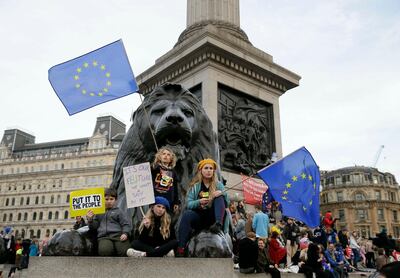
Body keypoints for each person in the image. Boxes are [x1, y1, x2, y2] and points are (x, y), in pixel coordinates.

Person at [177, 159, 229, 256]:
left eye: (211, 168)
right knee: (187, 215)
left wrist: (222, 194)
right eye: (206, 168)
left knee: (220, 197)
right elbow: (188, 204)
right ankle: (181, 247)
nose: (209, 170)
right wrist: (198, 202)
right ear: (201, 170)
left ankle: (218, 224)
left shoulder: (219, 185)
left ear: (213, 171)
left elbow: (227, 204)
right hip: (199, 216)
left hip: (213, 216)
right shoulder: (195, 186)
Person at [86, 188, 131, 256]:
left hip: (119, 236)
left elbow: (126, 224)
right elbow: (94, 227)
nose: (109, 201)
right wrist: (90, 220)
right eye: (106, 199)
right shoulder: (98, 212)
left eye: (111, 199)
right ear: (102, 200)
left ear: (115, 200)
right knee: (105, 251)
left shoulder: (119, 211)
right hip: (104, 237)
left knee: (125, 251)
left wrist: (125, 233)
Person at [151, 147, 180, 213]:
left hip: (168, 201)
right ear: (160, 156)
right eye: (163, 154)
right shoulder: (155, 168)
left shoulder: (173, 172)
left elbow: (175, 188)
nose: (166, 156)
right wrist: (156, 164)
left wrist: (176, 202)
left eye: (168, 154)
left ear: (171, 159)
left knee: (166, 220)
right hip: (155, 200)